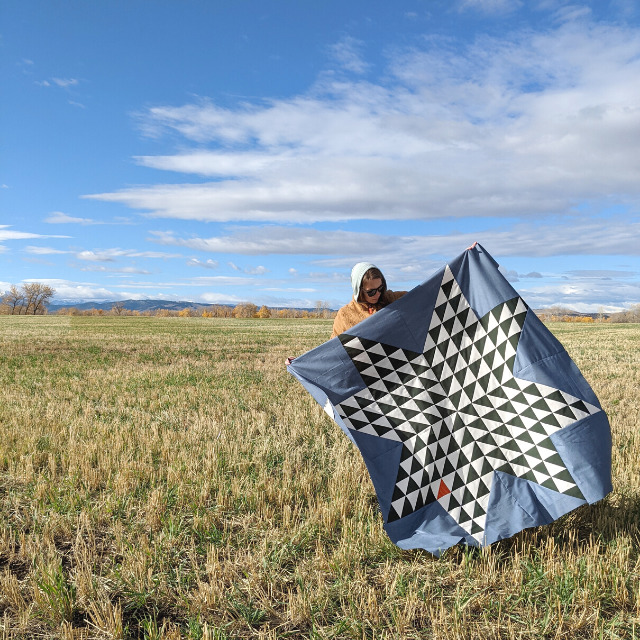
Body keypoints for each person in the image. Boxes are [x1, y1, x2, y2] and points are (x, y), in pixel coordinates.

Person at [330, 262, 406, 338]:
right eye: (371, 292)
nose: (377, 294)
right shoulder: (345, 315)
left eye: (380, 288)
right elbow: (335, 346)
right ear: (359, 290)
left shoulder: (392, 298)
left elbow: (416, 298)